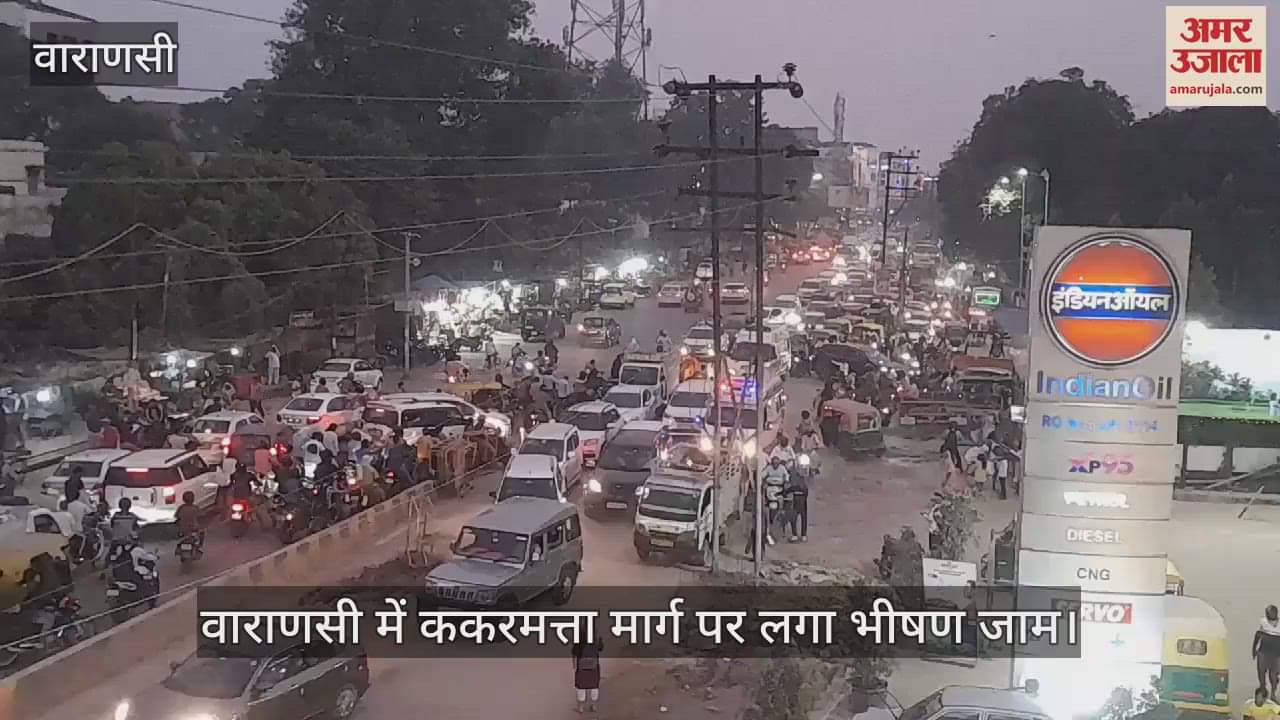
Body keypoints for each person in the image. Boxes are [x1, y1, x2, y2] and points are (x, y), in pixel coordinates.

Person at [760, 455, 789, 546]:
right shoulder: (768, 468)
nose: (775, 465)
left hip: (779, 489)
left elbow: (786, 475)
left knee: (781, 501)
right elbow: (762, 475)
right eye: (774, 463)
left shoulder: (782, 468)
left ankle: (781, 511)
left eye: (777, 463)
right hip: (770, 488)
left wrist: (786, 481)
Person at [571, 636, 604, 713]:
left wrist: (574, 665)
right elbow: (601, 648)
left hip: (582, 666)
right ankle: (593, 706)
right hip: (594, 666)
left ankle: (581, 708)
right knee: (594, 685)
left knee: (581, 686)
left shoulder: (579, 639)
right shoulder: (596, 638)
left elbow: (574, 653)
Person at [1255, 605, 1280, 699]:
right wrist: (1254, 649)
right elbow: (1258, 635)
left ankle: (1273, 693)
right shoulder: (1263, 622)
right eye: (1269, 613)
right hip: (1263, 652)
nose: (1271, 615)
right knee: (1261, 672)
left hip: (1277, 654)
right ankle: (1262, 689)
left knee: (1273, 675)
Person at [784, 465, 809, 542]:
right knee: (797, 518)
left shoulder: (801, 480)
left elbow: (801, 489)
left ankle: (799, 535)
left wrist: (787, 491)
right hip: (798, 499)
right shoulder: (798, 479)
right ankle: (800, 535)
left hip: (799, 500)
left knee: (798, 517)